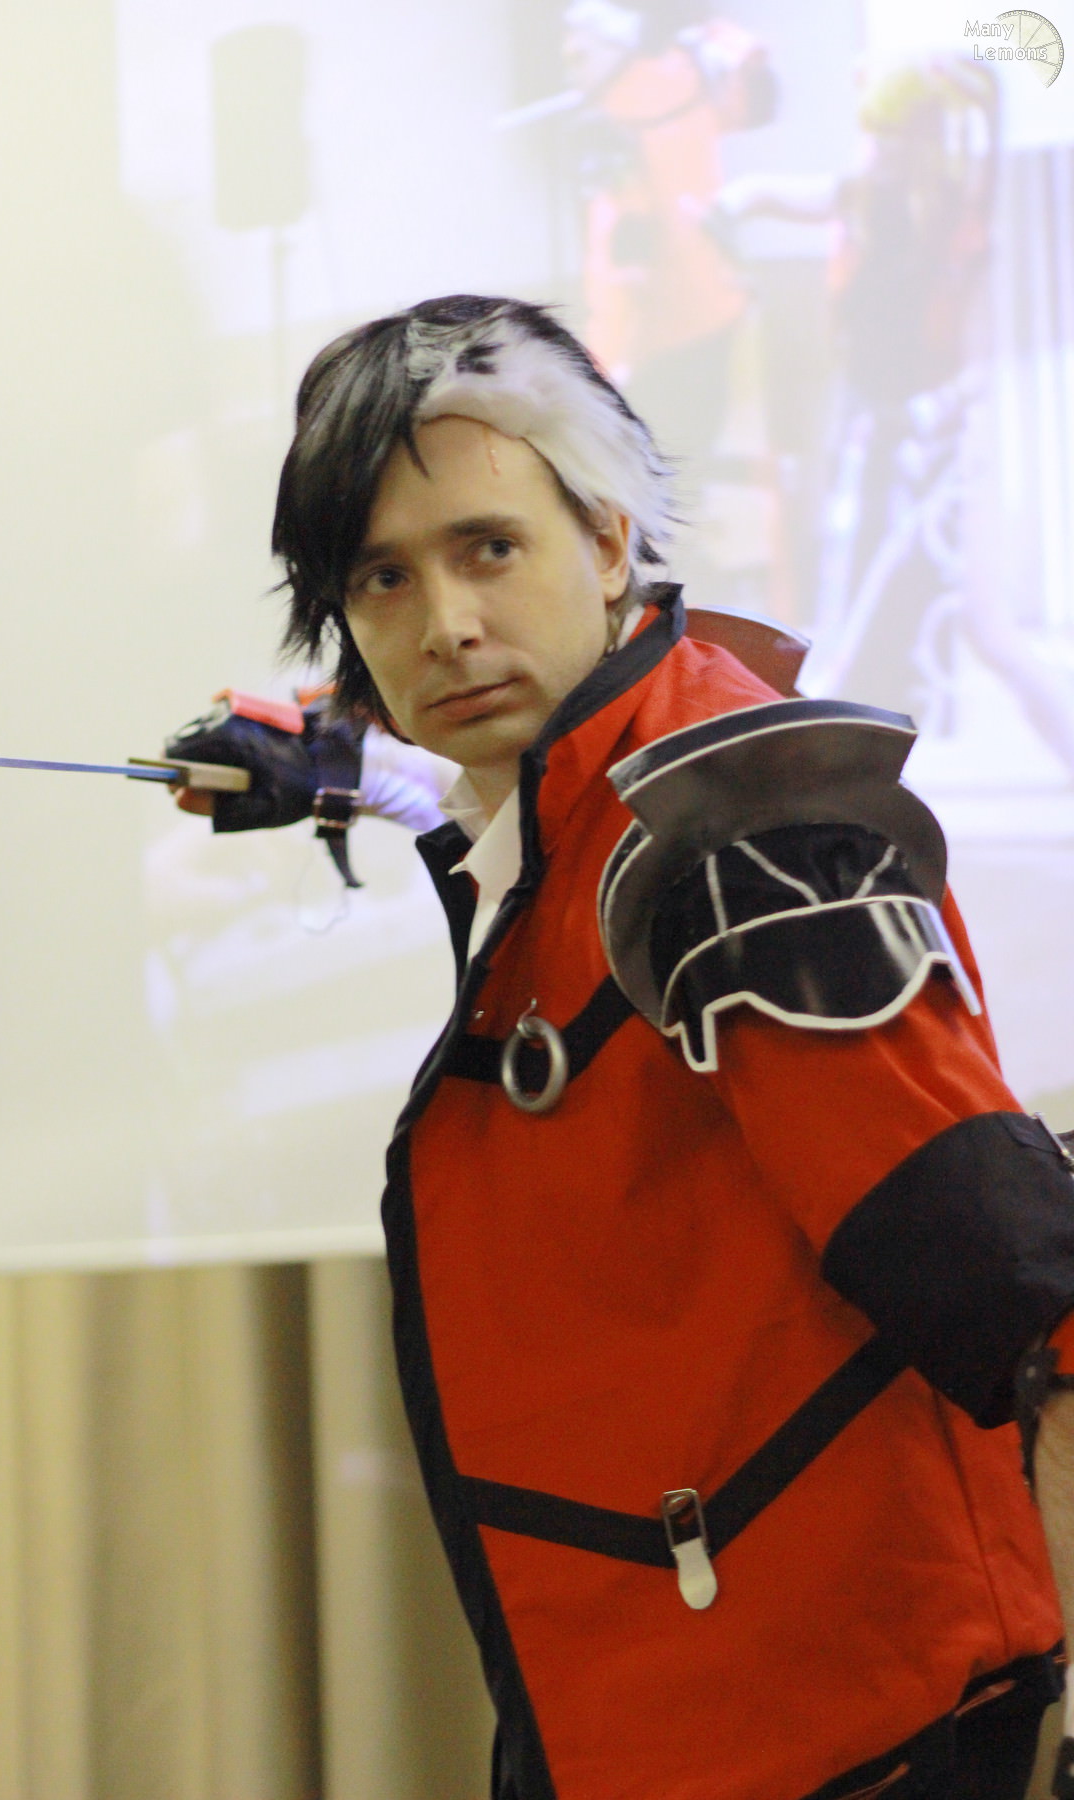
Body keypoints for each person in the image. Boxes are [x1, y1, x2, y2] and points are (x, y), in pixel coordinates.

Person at [182, 294, 1074, 1800]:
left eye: (489, 548)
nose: (444, 626)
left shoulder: (743, 840)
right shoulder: (582, 765)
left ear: (607, 542)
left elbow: (1023, 1297)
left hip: (853, 1720)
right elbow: (509, 814)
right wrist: (335, 761)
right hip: (671, 1702)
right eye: (382, 579)